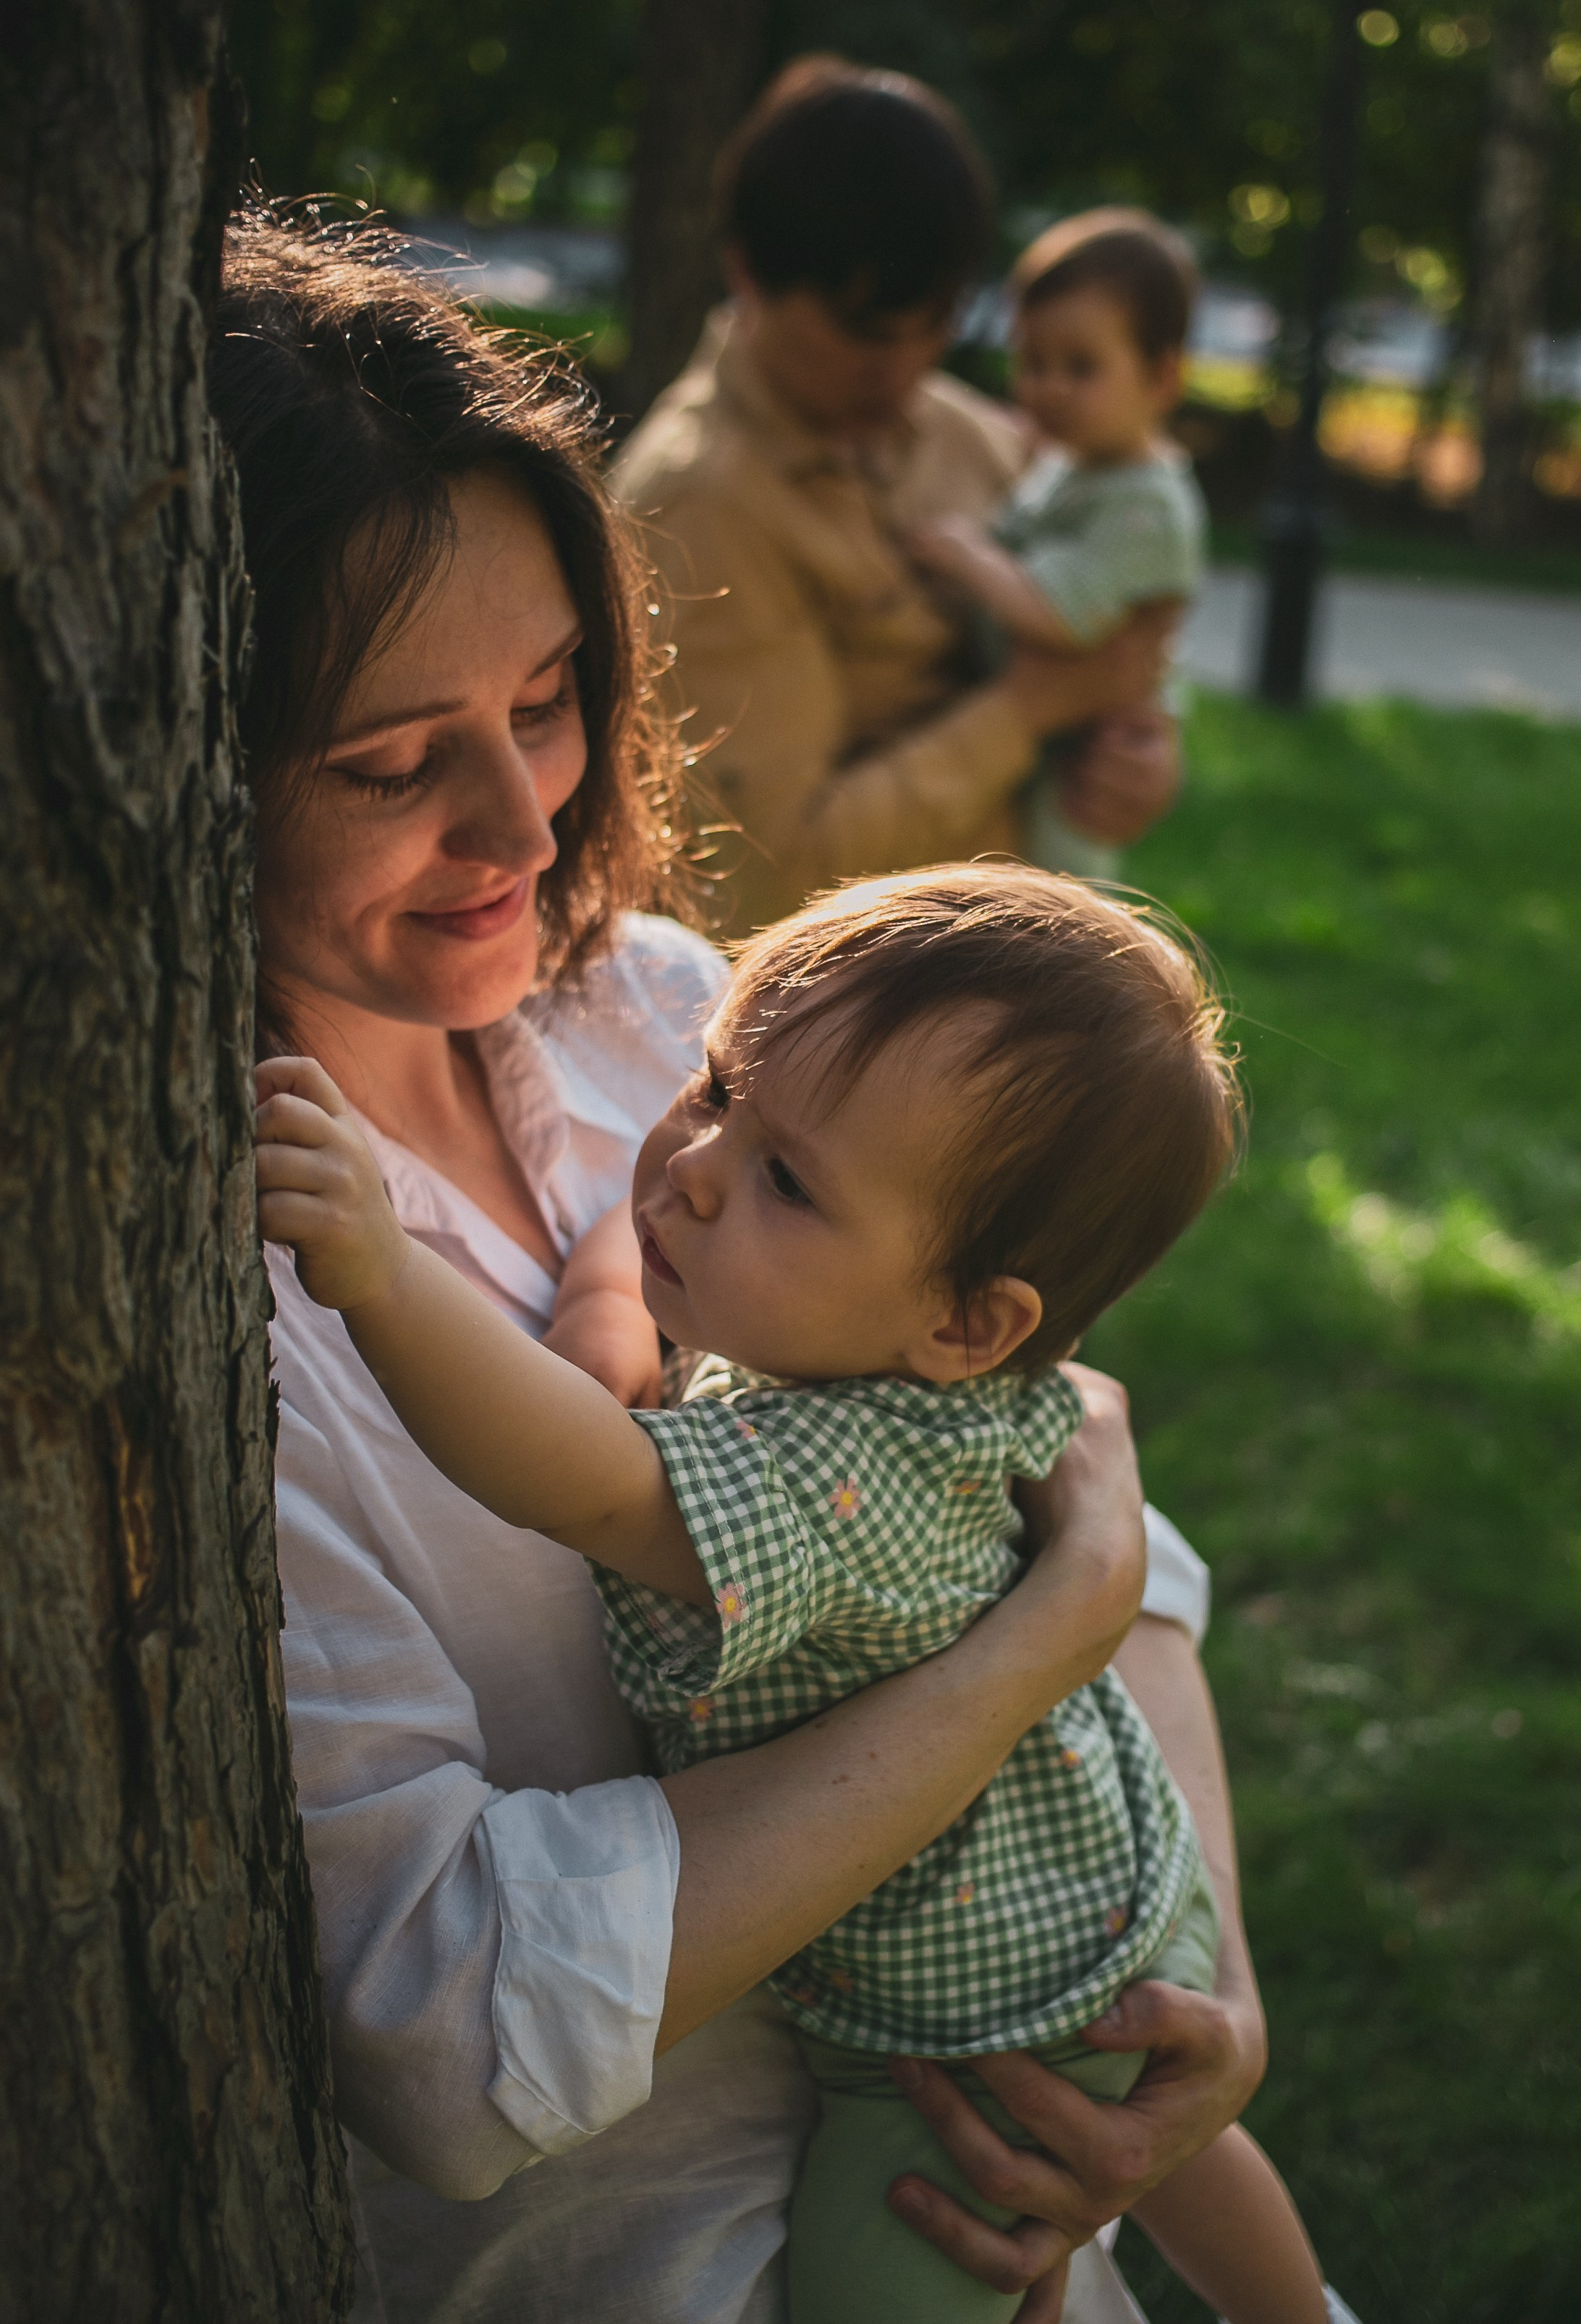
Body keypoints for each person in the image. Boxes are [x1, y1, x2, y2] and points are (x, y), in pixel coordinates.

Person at [214, 205, 1267, 2324]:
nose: (519, 824)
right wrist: (1019, 1647)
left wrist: (1184, 1993)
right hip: (642, 2258)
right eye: (387, 759)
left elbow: (1079, 1491)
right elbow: (438, 2019)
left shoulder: (673, 1014)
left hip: (1013, 2167)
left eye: (545, 699)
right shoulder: (214, 1275)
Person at [255, 866, 1332, 2324]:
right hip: (1094, 1897)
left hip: (968, 2023)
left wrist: (382, 1269)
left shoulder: (832, 1475)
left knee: (878, 2281)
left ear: (964, 1320)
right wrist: (614, 1280)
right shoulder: (913, 1376)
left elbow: (582, 1473)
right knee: (1192, 2164)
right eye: (711, 1087)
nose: (690, 1165)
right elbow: (611, 1337)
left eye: (784, 1180)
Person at [612, 57, 1183, 938]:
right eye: (866, 333)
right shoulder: (699, 504)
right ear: (748, 274)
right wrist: (1029, 710)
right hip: (858, 1021)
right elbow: (769, 883)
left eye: (936, 327)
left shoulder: (956, 429)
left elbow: (1110, 650)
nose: (906, 370)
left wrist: (1128, 764)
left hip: (1022, 967)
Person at [907, 211, 1208, 887]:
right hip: (1043, 735)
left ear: (1162, 379)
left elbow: (1062, 613)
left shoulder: (1147, 507)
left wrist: (967, 558)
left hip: (1083, 764)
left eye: (1080, 367)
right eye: (1034, 362)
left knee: (1051, 896)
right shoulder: (1083, 463)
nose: (1049, 388)